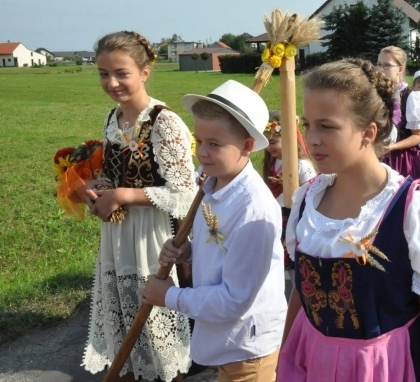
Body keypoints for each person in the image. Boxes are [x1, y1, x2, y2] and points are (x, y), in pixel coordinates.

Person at [278, 58, 420, 382]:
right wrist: (284, 360)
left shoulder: (413, 210)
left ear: (368, 132)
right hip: (311, 360)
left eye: (327, 126)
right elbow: (301, 291)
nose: (312, 138)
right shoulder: (308, 199)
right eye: (307, 124)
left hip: (381, 368)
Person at [143, 79, 288, 382]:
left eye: (215, 144)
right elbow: (220, 244)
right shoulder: (212, 181)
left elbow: (234, 300)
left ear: (248, 146)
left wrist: (170, 296)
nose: (202, 154)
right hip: (225, 338)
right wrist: (189, 250)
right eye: (199, 141)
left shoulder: (253, 210)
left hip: (247, 349)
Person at [78, 31, 195, 381]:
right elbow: (116, 173)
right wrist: (96, 187)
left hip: (152, 236)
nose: (112, 82)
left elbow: (185, 193)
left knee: (155, 324)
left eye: (121, 73)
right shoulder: (112, 119)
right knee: (124, 318)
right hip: (117, 235)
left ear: (144, 72)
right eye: (103, 73)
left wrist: (126, 195)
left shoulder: (164, 122)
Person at [261, 109, 317, 270]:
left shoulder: (302, 165)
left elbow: (311, 197)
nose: (268, 148)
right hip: (276, 219)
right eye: (266, 143)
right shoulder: (272, 163)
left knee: (295, 267)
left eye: (272, 142)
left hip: (294, 220)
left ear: (287, 139)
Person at [378, 46, 420, 180]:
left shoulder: (411, 97)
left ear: (400, 69)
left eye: (387, 65)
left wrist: (392, 147)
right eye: (379, 64)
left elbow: (418, 137)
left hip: (402, 159)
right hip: (378, 157)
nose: (381, 69)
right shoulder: (377, 94)